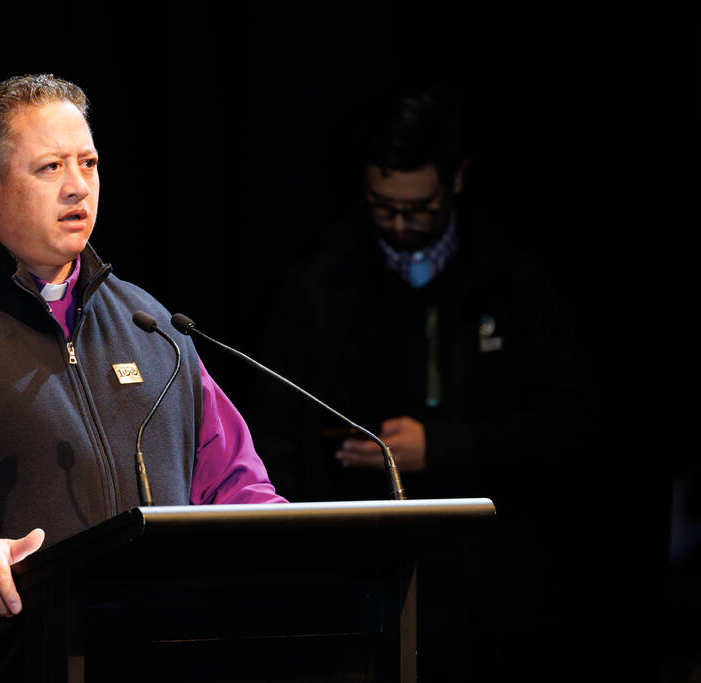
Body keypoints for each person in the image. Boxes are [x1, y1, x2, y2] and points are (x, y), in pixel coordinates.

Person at [0, 74, 284, 678]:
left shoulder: (155, 329)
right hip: (7, 659)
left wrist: (284, 545)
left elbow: (236, 487)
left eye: (88, 163)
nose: (77, 187)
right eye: (50, 168)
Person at [250, 86, 595, 681]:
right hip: (362, 584)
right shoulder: (317, 283)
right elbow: (273, 434)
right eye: (384, 208)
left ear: (457, 180)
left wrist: (442, 448)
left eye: (420, 209)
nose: (402, 225)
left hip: (496, 596)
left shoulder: (512, 281)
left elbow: (569, 427)